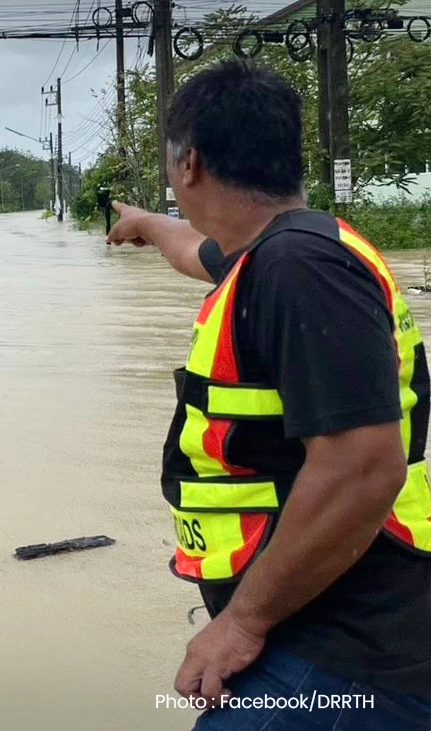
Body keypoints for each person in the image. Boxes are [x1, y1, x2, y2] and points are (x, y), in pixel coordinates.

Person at [106, 60, 431, 730]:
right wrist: (147, 223)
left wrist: (241, 624)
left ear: (189, 163)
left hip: (343, 648)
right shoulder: (279, 252)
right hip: (325, 622)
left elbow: (361, 468)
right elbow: (195, 250)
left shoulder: (299, 268)